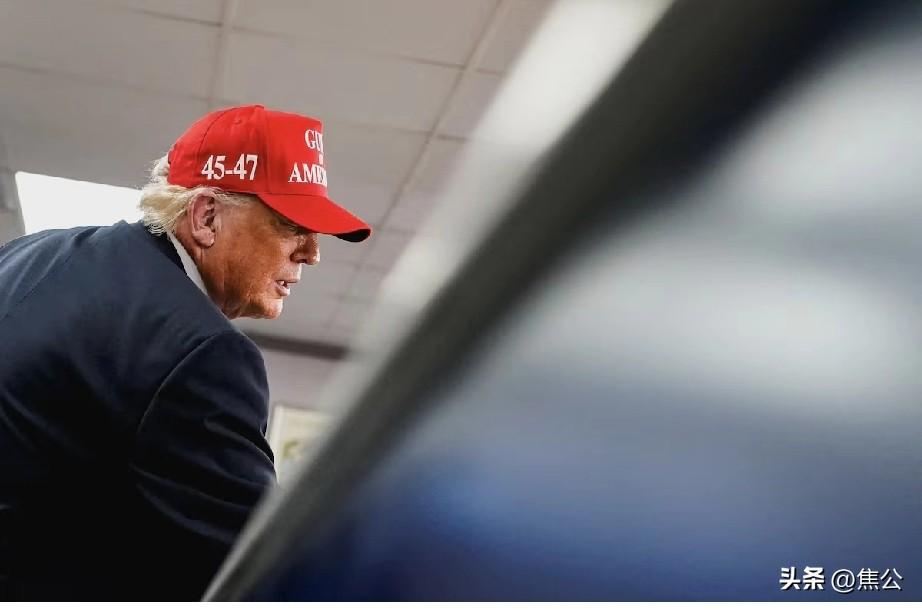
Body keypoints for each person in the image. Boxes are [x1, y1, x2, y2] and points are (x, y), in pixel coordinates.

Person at [0, 105, 371, 600]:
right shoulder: (201, 351)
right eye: (290, 226)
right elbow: (264, 570)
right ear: (206, 216)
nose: (312, 253)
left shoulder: (34, 252)